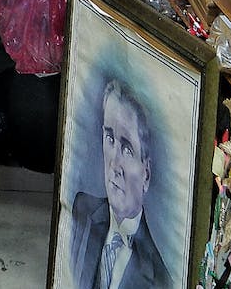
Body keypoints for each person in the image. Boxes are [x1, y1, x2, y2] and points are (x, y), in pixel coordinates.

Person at [67, 77, 172, 289]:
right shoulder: (81, 210)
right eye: (110, 139)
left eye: (127, 149)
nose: (114, 164)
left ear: (146, 174)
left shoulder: (160, 279)